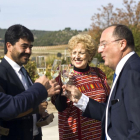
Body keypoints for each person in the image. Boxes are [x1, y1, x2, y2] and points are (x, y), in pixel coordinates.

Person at [63, 24, 140, 140]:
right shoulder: (126, 71)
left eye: (104, 44)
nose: (99, 50)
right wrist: (80, 99)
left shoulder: (133, 73)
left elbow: (137, 129)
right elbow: (113, 113)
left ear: (122, 44)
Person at [0, 24, 58, 140]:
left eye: (30, 47)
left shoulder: (23, 70)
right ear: (9, 46)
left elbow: (28, 100)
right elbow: (7, 111)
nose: (29, 51)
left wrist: (39, 111)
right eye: (24, 46)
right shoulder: (1, 73)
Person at [52, 34, 110, 140]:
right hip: (73, 135)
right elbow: (59, 107)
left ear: (89, 55)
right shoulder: (63, 74)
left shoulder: (99, 74)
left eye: (81, 53)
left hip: (98, 134)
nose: (77, 56)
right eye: (74, 52)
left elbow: (108, 101)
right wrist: (64, 89)